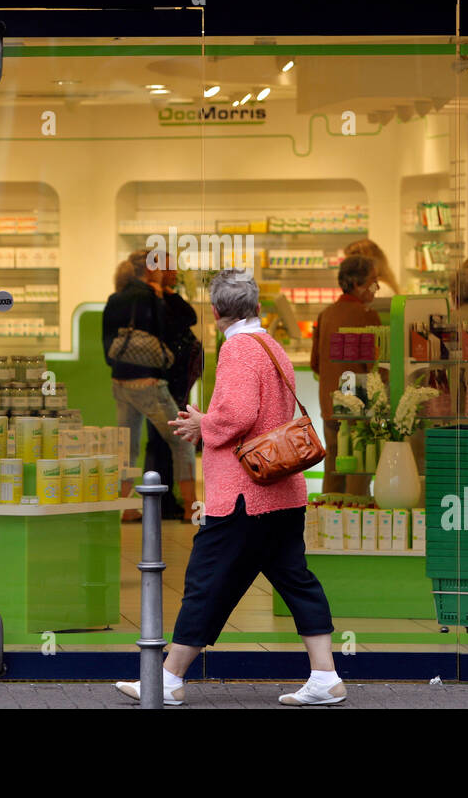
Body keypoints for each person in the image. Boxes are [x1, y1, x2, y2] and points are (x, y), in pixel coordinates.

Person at [115, 269, 342, 706]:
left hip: (244, 496)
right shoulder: (270, 344)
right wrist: (212, 422)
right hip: (281, 492)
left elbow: (238, 414)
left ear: (216, 313)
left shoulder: (237, 349)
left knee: (206, 582)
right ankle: (325, 675)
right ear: (257, 308)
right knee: (295, 580)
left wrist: (204, 424)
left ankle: (167, 681)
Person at [102, 249, 196, 524]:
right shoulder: (152, 298)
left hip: (119, 381)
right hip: (150, 382)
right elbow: (172, 329)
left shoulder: (115, 298)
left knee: (128, 446)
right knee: (182, 441)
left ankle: (128, 507)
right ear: (150, 269)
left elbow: (107, 345)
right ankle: (191, 506)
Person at [310, 255, 380, 497]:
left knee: (334, 465)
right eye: (373, 281)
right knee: (359, 466)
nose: (376, 287)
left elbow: (315, 364)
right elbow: (375, 367)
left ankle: (330, 520)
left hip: (330, 402)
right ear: (358, 284)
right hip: (358, 402)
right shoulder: (368, 316)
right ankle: (357, 520)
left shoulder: (325, 314)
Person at [143, 256, 201, 521]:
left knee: (164, 440)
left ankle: (166, 501)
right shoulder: (151, 300)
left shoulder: (162, 299)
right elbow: (188, 316)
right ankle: (172, 503)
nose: (175, 272)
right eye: (168, 268)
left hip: (170, 379)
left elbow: (189, 316)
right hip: (160, 379)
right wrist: (165, 294)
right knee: (164, 440)